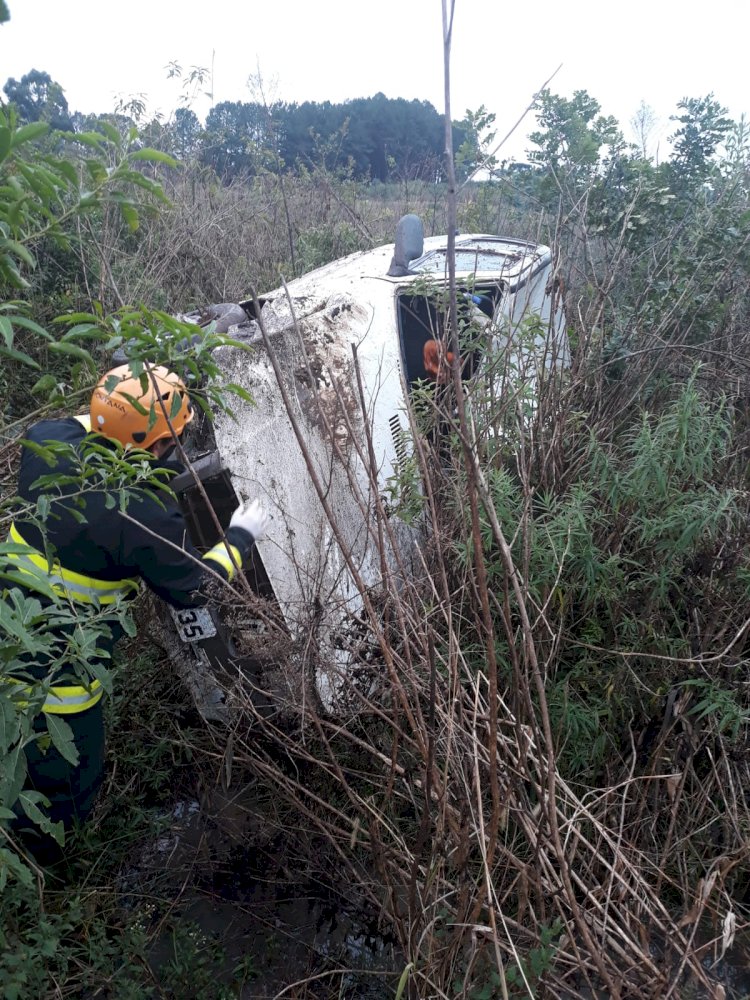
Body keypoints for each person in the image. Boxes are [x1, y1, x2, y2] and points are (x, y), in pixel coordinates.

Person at [2, 363, 269, 856]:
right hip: (61, 672)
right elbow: (193, 587)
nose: (178, 451)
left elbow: (92, 425)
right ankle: (47, 866)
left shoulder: (46, 439)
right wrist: (240, 535)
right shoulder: (139, 511)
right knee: (67, 779)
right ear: (153, 446)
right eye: (173, 442)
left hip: (9, 629)